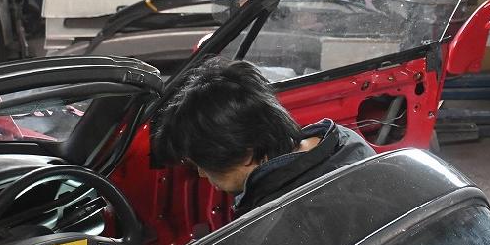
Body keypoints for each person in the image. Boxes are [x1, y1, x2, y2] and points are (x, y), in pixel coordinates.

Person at [153, 56, 375, 215]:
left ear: (248, 154)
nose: (202, 174)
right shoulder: (342, 140)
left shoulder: (276, 218)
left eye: (204, 164)